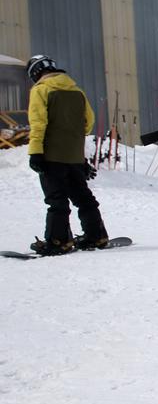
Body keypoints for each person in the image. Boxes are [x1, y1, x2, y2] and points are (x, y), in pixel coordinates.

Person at [24, 55, 109, 256]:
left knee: (57, 199)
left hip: (51, 155)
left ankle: (58, 241)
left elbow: (38, 124)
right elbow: (88, 122)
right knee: (83, 197)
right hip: (74, 155)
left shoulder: (41, 90)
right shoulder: (77, 91)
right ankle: (96, 235)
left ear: (36, 73)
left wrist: (35, 151)